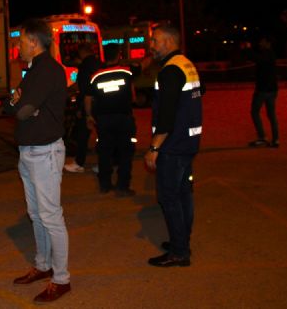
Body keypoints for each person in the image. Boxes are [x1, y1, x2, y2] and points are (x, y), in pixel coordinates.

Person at [5, 18, 71, 303]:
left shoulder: (46, 70)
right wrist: (20, 103)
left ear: (33, 42)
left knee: (51, 217)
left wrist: (21, 104)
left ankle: (62, 278)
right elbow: (16, 103)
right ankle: (43, 265)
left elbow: (21, 109)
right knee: (36, 214)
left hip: (45, 152)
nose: (17, 46)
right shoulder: (32, 70)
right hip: (29, 151)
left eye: (20, 41)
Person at [144, 24, 202, 267]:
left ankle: (179, 252)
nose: (152, 45)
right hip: (189, 142)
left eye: (155, 41)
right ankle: (181, 241)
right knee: (183, 194)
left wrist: (154, 148)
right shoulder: (187, 65)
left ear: (168, 41)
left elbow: (166, 115)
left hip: (172, 145)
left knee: (169, 198)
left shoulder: (169, 71)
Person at [85, 44, 136, 196]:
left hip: (104, 120)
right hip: (124, 118)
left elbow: (88, 98)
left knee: (105, 152)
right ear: (118, 55)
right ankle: (122, 186)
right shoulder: (126, 72)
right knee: (125, 152)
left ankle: (105, 185)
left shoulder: (95, 76)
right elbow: (132, 94)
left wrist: (89, 115)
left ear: (103, 57)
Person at [64, 42, 103, 173]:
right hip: (102, 103)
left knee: (82, 135)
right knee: (103, 135)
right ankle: (104, 163)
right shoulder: (99, 63)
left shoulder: (85, 66)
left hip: (88, 105)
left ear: (81, 52)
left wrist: (84, 111)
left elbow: (83, 88)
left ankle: (79, 163)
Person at [247, 36, 279, 148]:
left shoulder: (266, 54)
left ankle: (262, 137)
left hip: (262, 90)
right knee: (271, 115)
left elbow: (255, 58)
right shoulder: (271, 54)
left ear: (267, 42)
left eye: (262, 41)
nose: (260, 43)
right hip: (272, 89)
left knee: (255, 112)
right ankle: (275, 140)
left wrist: (248, 48)